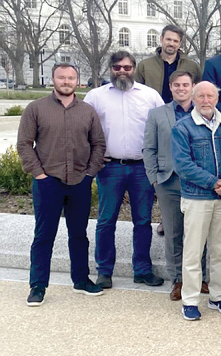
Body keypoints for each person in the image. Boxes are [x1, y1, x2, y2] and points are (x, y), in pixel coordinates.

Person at [17, 63, 106, 306]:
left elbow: (98, 144)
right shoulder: (36, 109)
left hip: (80, 181)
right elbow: (24, 144)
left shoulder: (87, 111)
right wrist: (39, 175)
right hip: (48, 182)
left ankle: (81, 280)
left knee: (79, 235)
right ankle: (38, 286)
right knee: (44, 235)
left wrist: (90, 174)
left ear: (78, 81)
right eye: (61, 77)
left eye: (71, 78)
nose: (66, 82)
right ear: (53, 80)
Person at [83, 50, 165, 289]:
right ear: (110, 69)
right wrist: (93, 155)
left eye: (127, 67)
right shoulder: (96, 96)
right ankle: (104, 271)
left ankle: (142, 270)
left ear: (134, 69)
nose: (122, 71)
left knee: (143, 221)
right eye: (117, 67)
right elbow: (83, 128)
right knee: (106, 221)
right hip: (110, 168)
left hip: (142, 168)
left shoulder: (150, 96)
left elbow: (163, 127)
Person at [172, 81, 221, 321]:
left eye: (210, 95)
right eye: (200, 96)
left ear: (216, 98)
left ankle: (218, 296)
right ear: (193, 98)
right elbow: (183, 165)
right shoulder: (183, 128)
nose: (205, 100)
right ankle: (190, 299)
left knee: (220, 250)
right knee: (193, 251)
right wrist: (215, 183)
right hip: (197, 198)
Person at [143, 70, 208, 301]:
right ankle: (178, 280)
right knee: (173, 232)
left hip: (199, 182)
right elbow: (149, 148)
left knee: (199, 232)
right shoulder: (157, 114)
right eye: (177, 85)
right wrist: (153, 177)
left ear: (193, 87)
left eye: (186, 84)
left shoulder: (204, 112)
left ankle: (199, 278)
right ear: (170, 87)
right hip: (168, 180)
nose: (181, 88)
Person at [134, 25, 202, 104]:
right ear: (161, 39)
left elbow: (199, 92)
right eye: (168, 39)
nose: (171, 43)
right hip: (154, 112)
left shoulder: (192, 67)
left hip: (183, 114)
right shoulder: (145, 66)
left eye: (175, 41)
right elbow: (136, 92)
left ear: (180, 43)